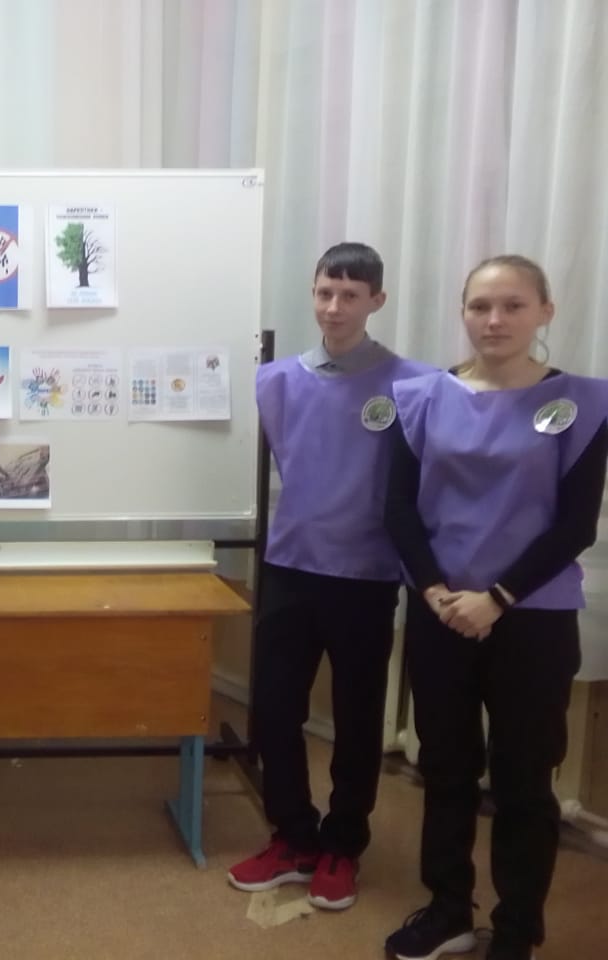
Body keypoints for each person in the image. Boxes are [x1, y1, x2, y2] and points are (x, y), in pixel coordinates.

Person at [383, 255, 607, 960]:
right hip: (441, 611)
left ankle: (516, 930)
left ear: (545, 312)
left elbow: (575, 526)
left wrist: (498, 599)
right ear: (463, 313)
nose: (495, 320)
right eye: (480, 306)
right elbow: (398, 512)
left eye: (513, 305)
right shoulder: (420, 398)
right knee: (445, 768)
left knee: (523, 780)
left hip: (531, 617)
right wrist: (436, 592)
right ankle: (448, 909)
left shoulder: (583, 404)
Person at [228, 242, 434, 910]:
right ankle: (293, 835)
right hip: (290, 565)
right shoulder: (276, 381)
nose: (334, 307)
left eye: (350, 295)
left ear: (377, 300)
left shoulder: (413, 385)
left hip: (367, 574)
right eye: (324, 292)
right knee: (275, 709)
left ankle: (343, 843)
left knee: (356, 717)